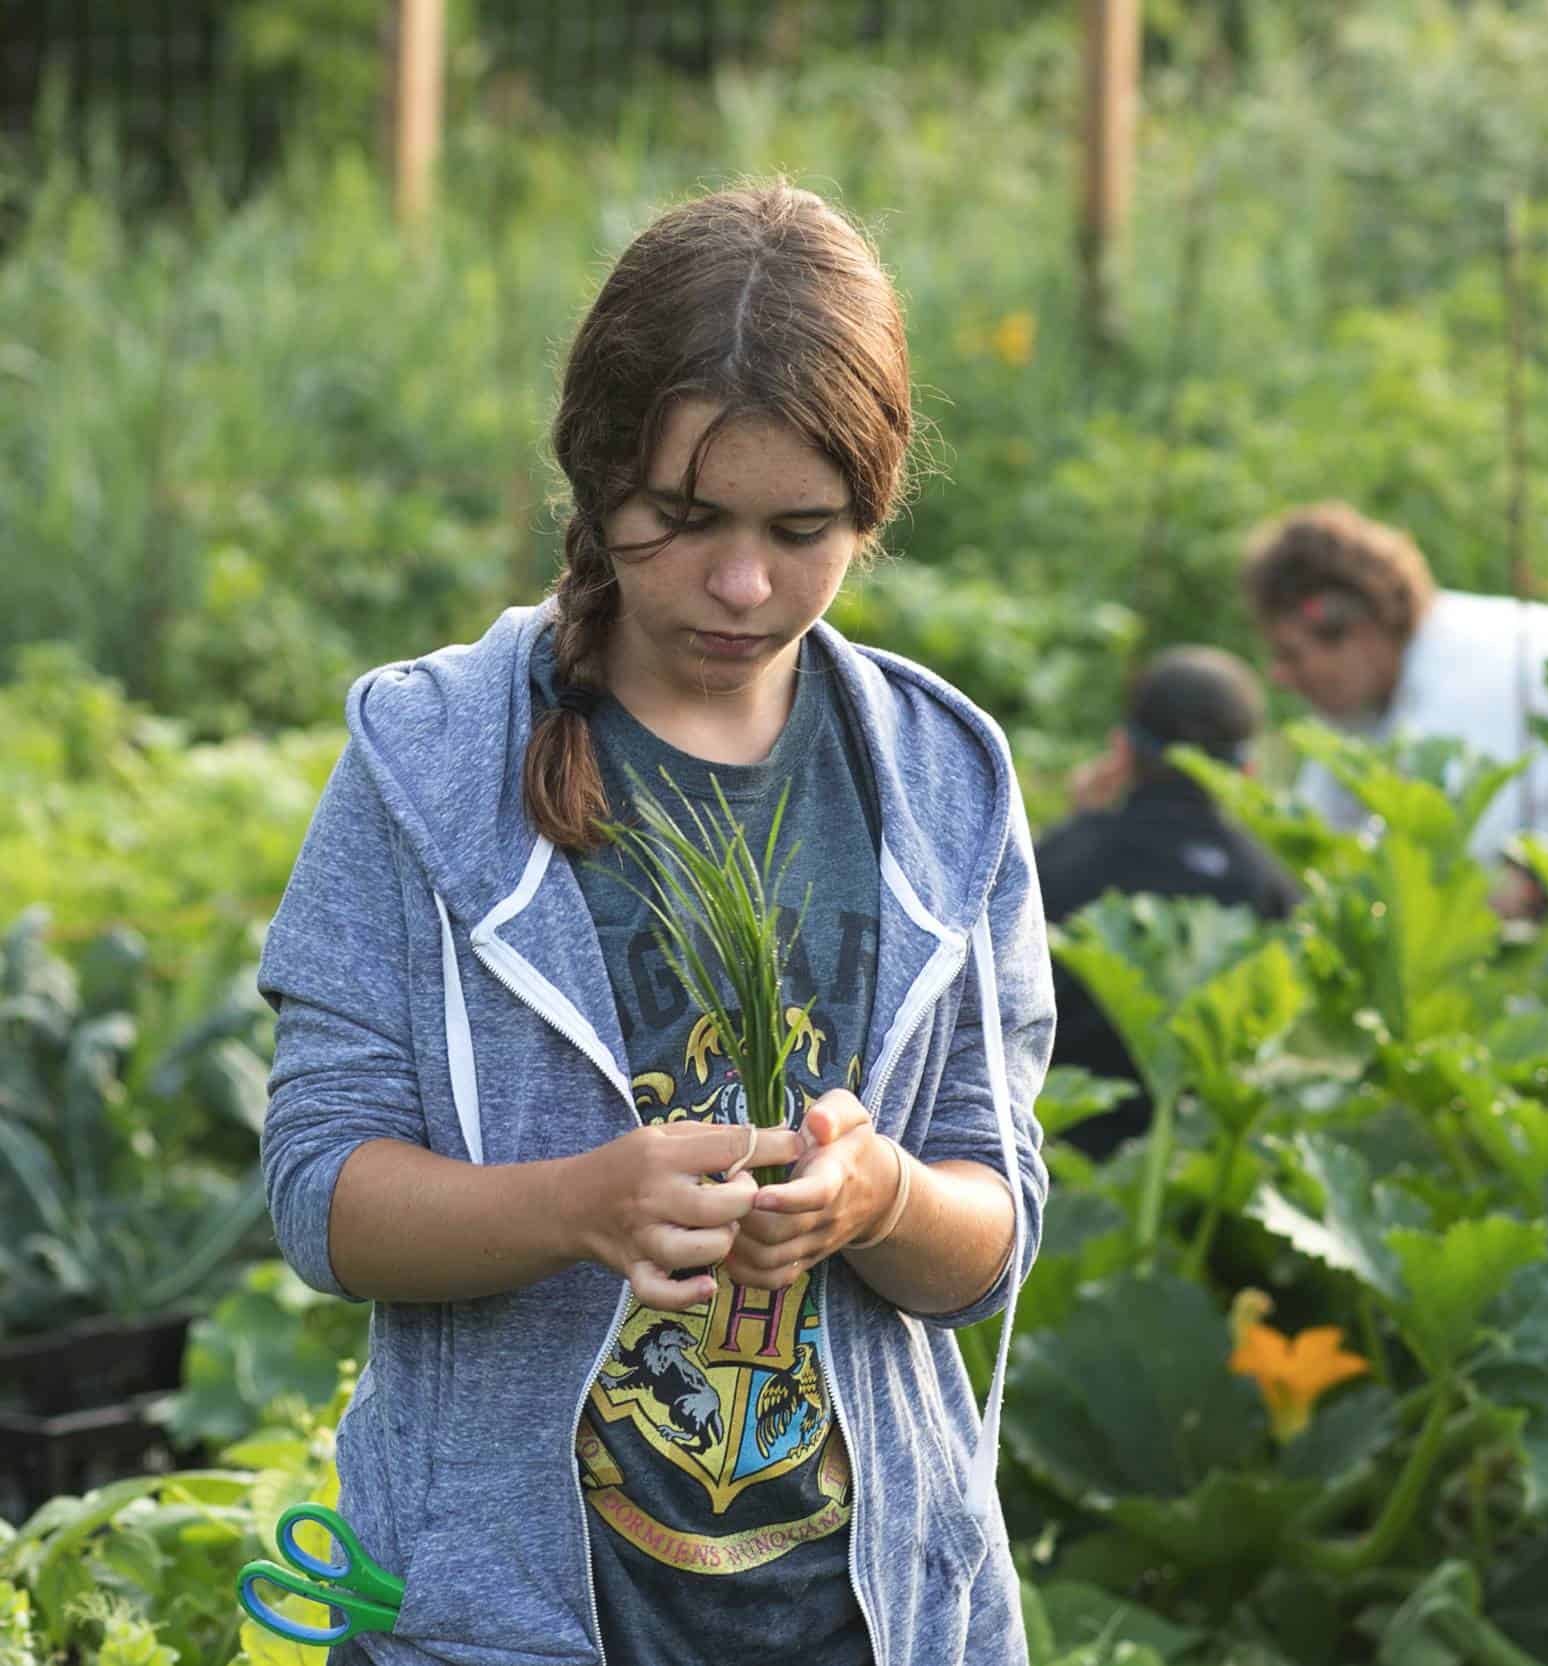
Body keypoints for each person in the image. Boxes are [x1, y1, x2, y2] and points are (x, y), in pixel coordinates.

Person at [256, 183, 1050, 1666]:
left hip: (869, 1621)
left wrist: (876, 1199)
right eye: (685, 521)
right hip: (504, 1616)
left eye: (801, 529)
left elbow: (993, 1235)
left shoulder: (944, 780)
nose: (744, 584)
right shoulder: (433, 761)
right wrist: (581, 1203)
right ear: (595, 477)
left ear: (867, 516)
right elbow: (321, 1191)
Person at [1240, 502, 1548, 914]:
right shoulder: (1375, 690)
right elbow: (1312, 840)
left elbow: (1456, 872)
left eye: (1290, 654)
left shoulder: (1474, 670)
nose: (1280, 676)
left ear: (1354, 629)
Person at [1036, 647, 1299, 1156]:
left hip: (1060, 1153)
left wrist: (1073, 823)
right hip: (1200, 1168)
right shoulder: (1267, 884)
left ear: (1122, 751)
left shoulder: (1062, 855)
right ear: (1246, 768)